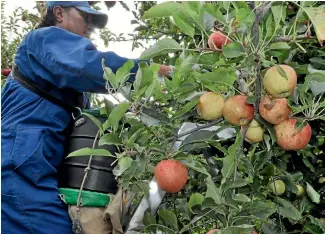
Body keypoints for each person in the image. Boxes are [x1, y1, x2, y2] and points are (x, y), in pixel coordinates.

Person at [1, 1, 173, 234]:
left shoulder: (72, 86)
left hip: (40, 170)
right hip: (21, 169)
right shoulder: (42, 39)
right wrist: (150, 71)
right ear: (59, 13)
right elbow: (88, 66)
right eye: (85, 16)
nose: (90, 25)